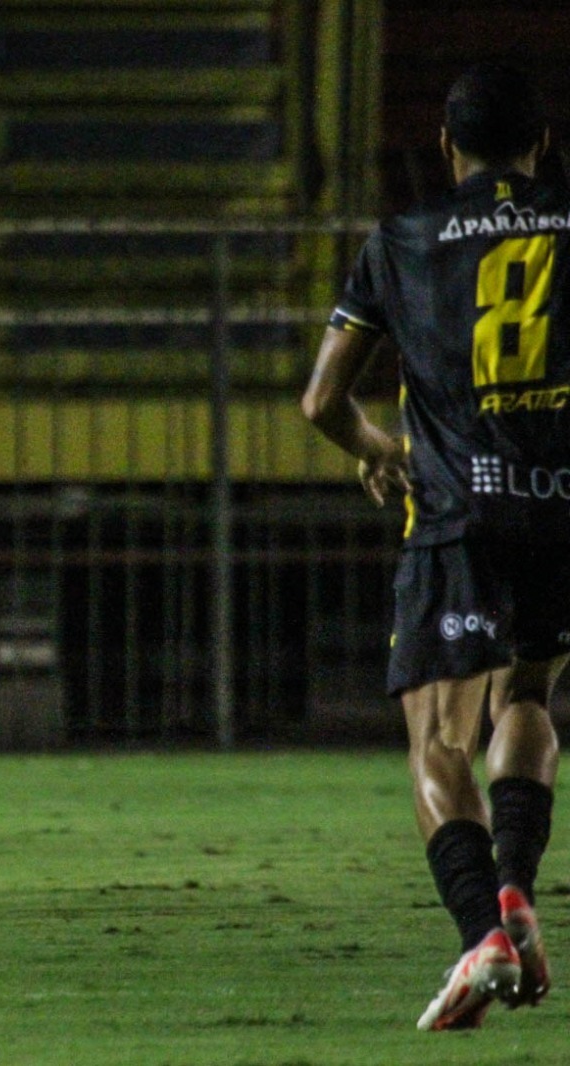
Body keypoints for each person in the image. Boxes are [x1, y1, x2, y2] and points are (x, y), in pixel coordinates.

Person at [302, 63, 565, 1031]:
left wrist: (376, 451)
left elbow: (322, 400)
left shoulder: (400, 241)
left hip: (454, 516)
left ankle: (480, 931)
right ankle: (514, 890)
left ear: (448, 149)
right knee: (529, 697)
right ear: (540, 148)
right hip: (559, 513)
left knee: (436, 738)